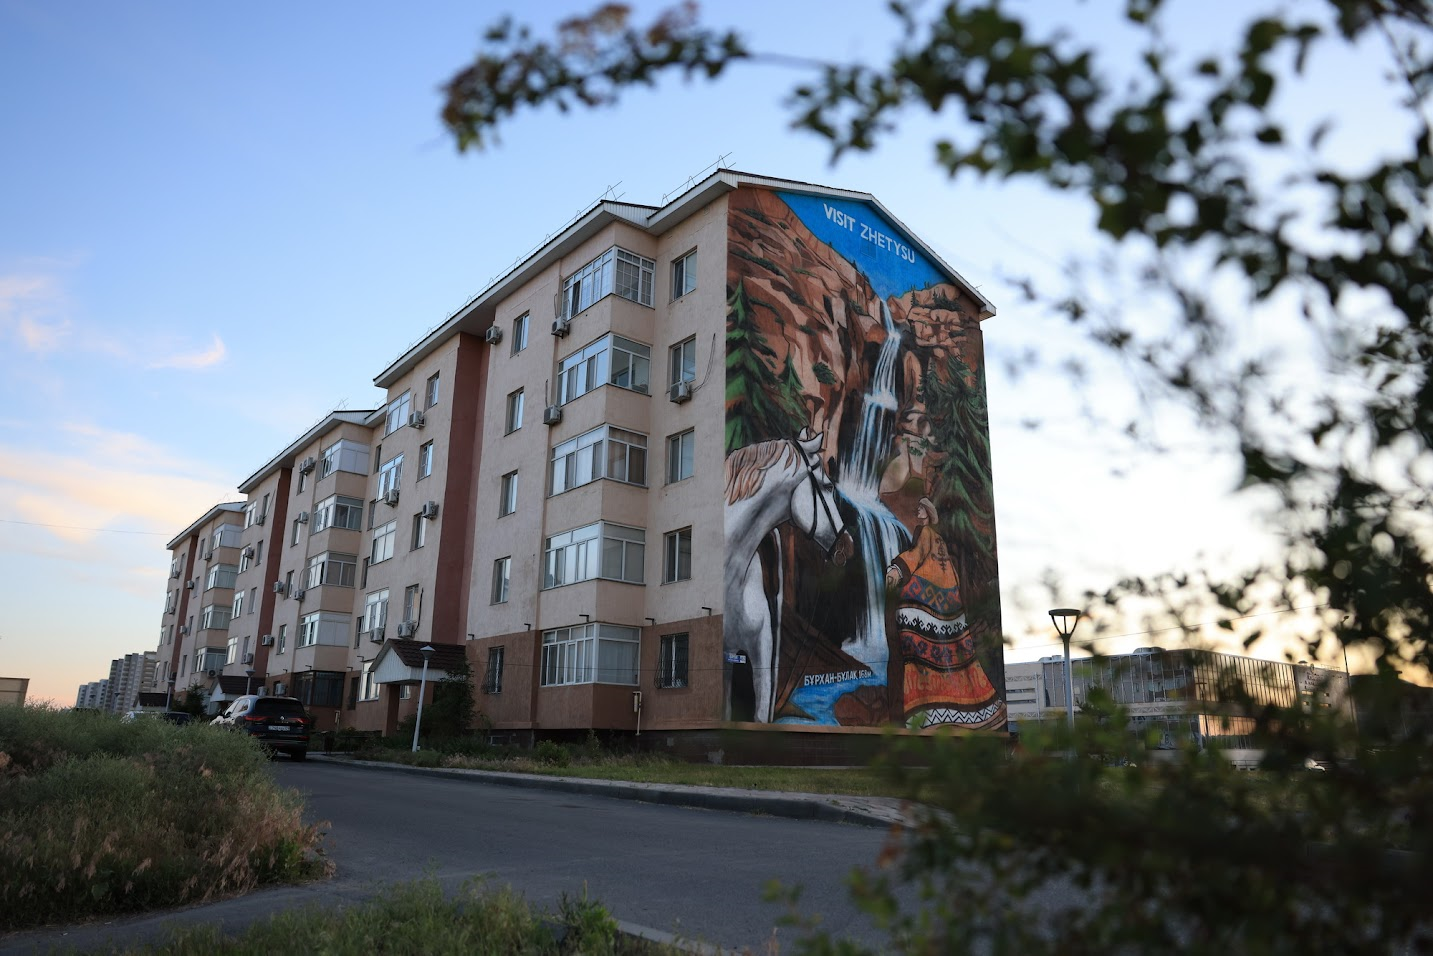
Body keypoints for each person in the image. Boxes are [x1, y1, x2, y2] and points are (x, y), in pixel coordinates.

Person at [885, 497, 1005, 729]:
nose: (917, 510)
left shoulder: (926, 533)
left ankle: (927, 706)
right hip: (949, 600)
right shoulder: (939, 539)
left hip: (929, 596)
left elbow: (915, 555)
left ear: (928, 513)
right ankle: (964, 707)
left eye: (921, 508)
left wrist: (896, 571)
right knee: (952, 651)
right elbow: (948, 570)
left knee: (905, 616)